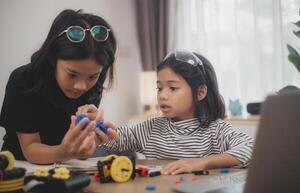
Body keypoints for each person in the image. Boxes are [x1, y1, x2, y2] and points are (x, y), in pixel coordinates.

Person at [95, 50, 254, 175]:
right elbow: (118, 139)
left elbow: (250, 149)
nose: (162, 95)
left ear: (200, 92)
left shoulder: (216, 130)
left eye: (173, 88)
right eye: (159, 88)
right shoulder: (151, 129)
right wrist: (97, 128)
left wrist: (201, 162)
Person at [0, 9, 117, 164]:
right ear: (53, 58)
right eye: (72, 74)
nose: (81, 86)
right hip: (18, 166)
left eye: (92, 76)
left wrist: (89, 141)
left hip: (64, 164)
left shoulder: (93, 86)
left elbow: (79, 154)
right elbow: (30, 149)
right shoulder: (24, 80)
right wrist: (65, 152)